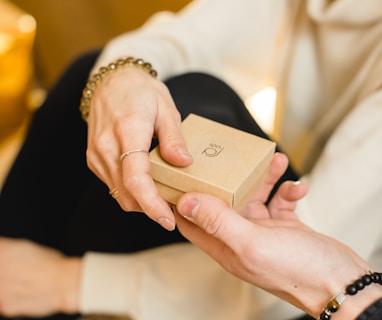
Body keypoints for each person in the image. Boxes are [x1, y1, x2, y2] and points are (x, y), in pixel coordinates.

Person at [1, 0, 382, 319]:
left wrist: (70, 282)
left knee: (191, 101)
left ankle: (28, 285)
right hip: (293, 223)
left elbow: (305, 277)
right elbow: (187, 35)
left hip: (324, 292)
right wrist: (123, 78)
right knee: (101, 76)